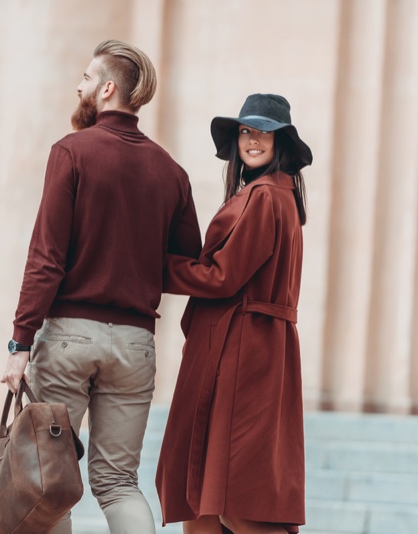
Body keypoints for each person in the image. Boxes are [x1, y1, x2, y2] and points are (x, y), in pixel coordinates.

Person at [0, 39, 201, 534]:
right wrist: (133, 259)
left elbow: (47, 257)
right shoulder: (171, 172)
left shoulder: (71, 152)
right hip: (135, 344)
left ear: (108, 89)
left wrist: (19, 343)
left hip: (69, 336)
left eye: (87, 78)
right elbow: (188, 261)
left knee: (50, 480)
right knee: (118, 482)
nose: (79, 85)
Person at [155, 93, 312, 534]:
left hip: (242, 348)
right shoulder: (278, 196)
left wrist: (157, 266)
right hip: (252, 343)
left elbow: (223, 277)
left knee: (230, 495)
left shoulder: (264, 197)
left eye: (263, 132)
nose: (253, 140)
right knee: (206, 496)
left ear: (280, 142)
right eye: (246, 131)